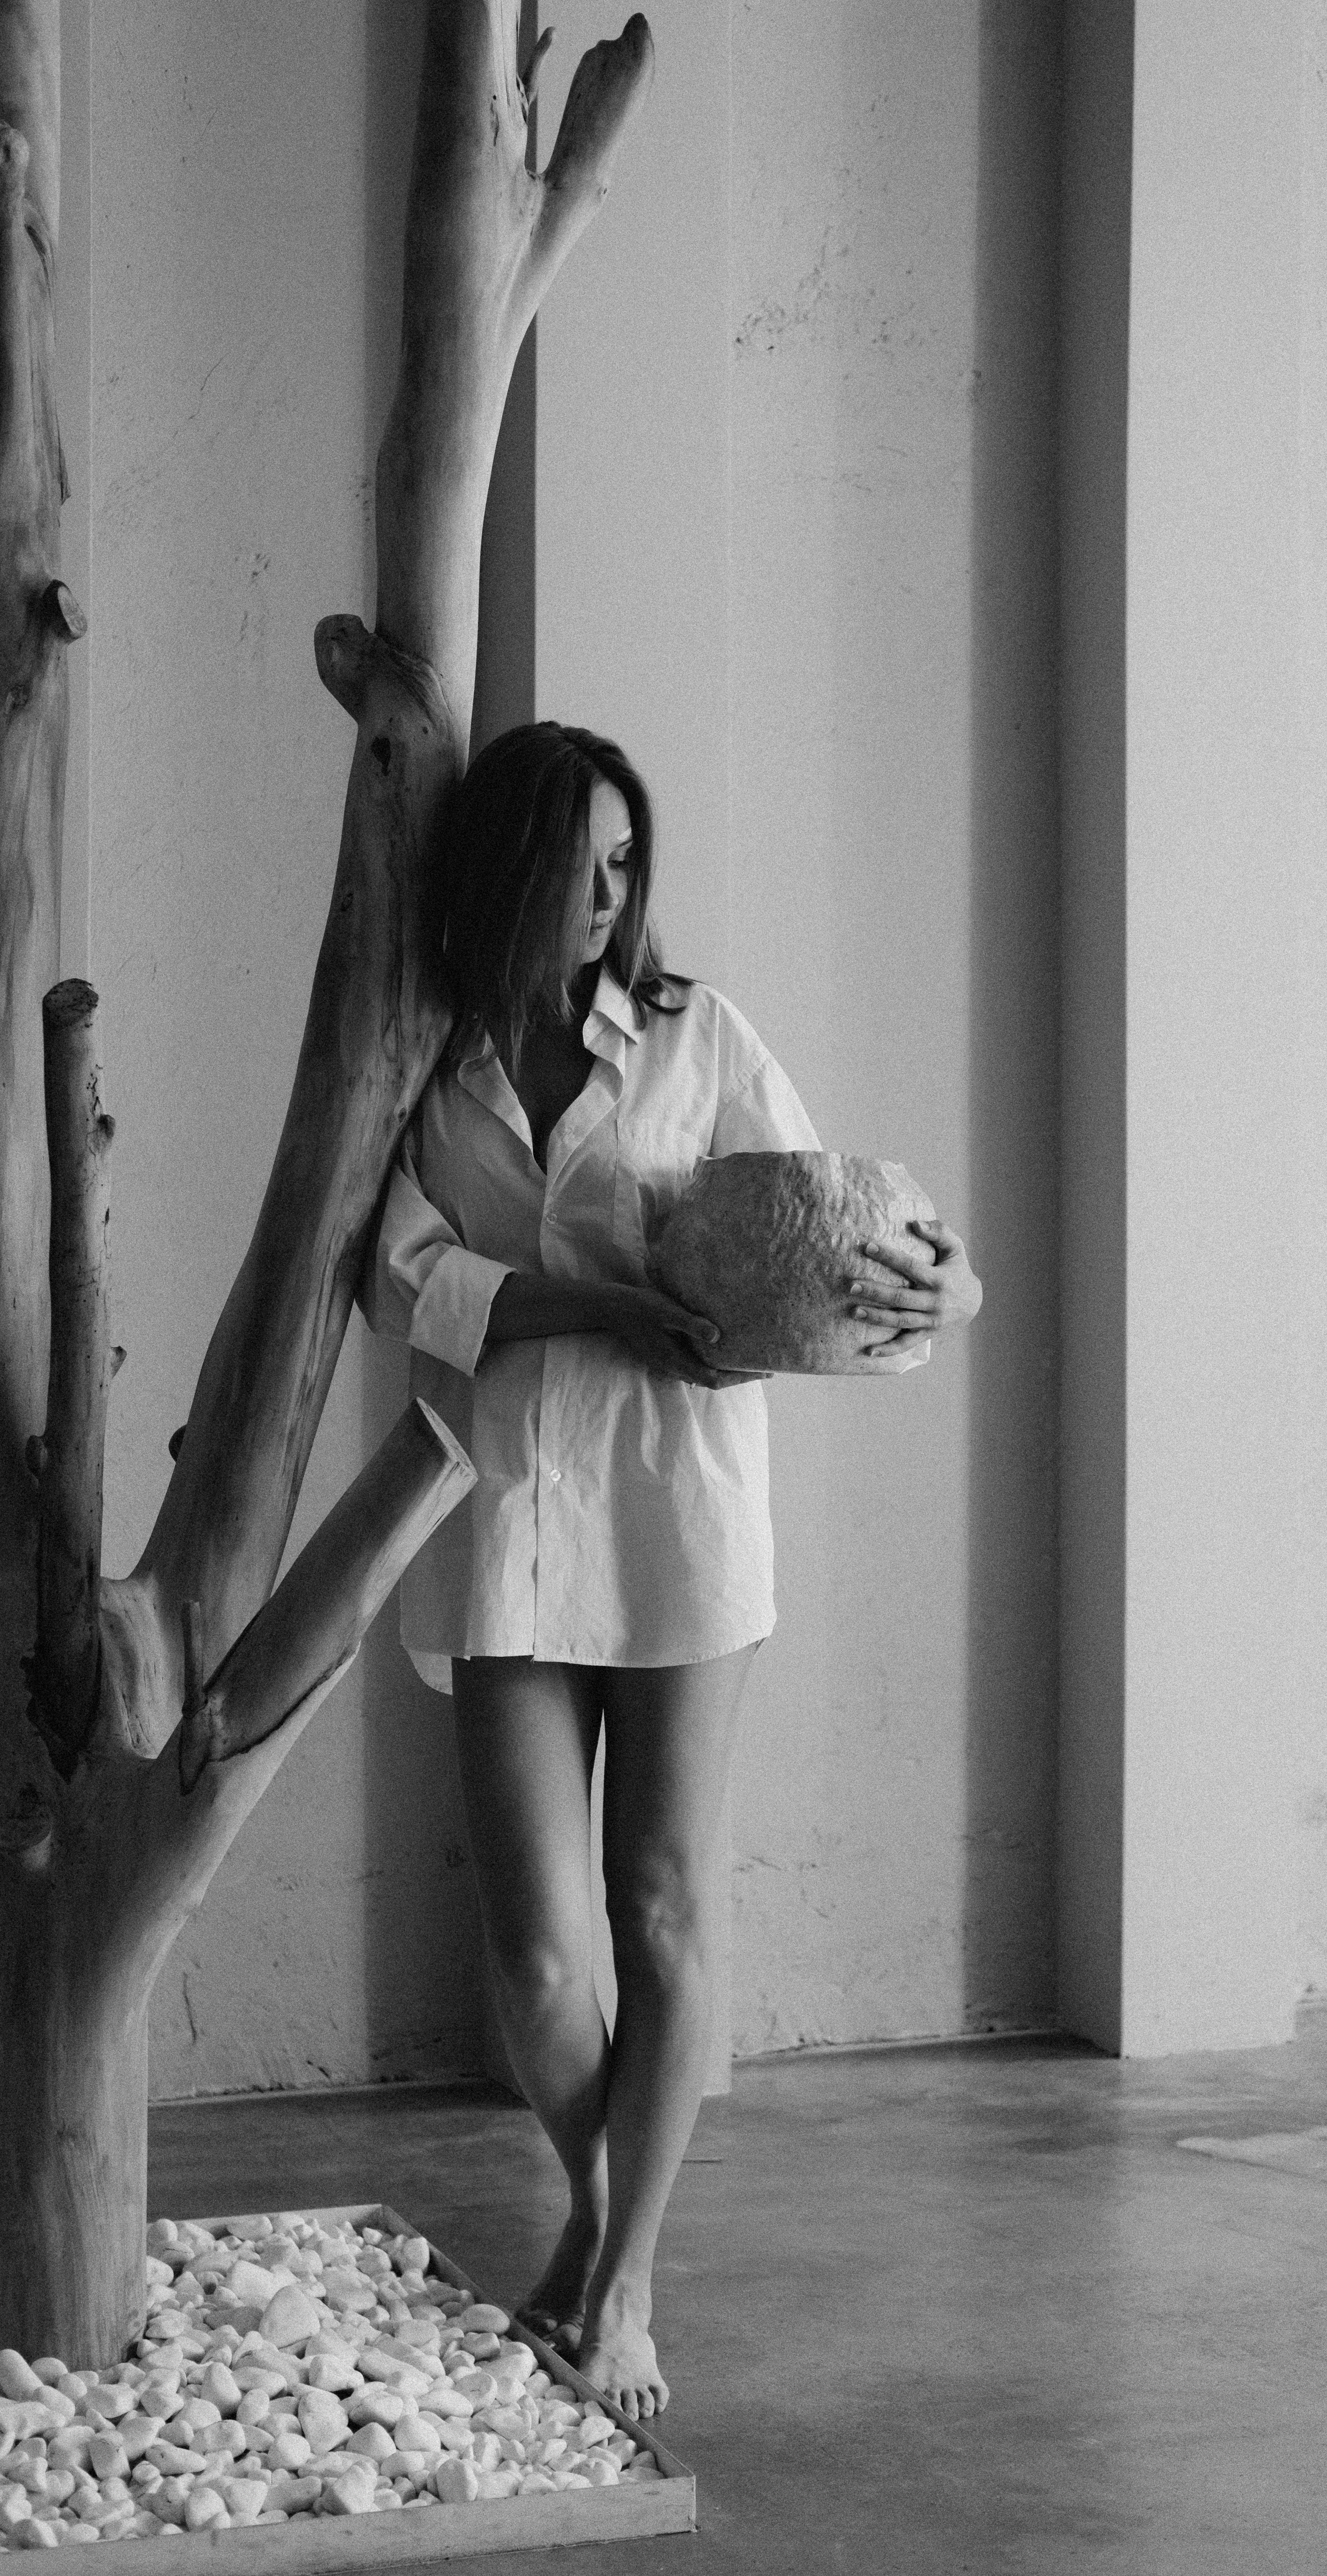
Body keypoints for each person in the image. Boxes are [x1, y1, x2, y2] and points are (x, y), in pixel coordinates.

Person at [362, 721, 981, 2417]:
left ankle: (620, 2288)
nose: (607, 902)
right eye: (581, 871)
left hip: (678, 1512)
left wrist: (943, 1286)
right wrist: (603, 1302)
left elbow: (845, 1223)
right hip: (496, 1509)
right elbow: (398, 1277)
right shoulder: (424, 1053)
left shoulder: (697, 1035)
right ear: (513, 873)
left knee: (663, 1907)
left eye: (627, 870)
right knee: (542, 1962)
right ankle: (596, 2213)